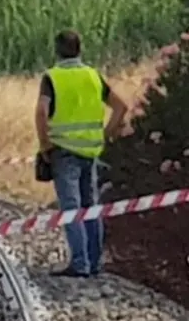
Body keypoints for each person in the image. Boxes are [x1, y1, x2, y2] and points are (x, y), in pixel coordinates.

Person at [35, 29, 127, 278]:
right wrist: (105, 135)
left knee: (71, 208)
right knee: (91, 207)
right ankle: (95, 263)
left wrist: (45, 146)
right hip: (91, 151)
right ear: (79, 49)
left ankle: (79, 263)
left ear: (57, 50)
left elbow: (42, 112)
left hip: (63, 152)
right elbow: (121, 107)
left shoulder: (52, 77)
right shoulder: (93, 75)